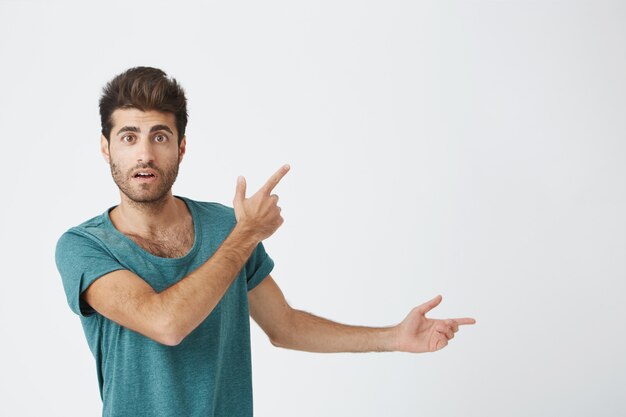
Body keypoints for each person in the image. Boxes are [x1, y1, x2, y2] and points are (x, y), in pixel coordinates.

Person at [55, 66, 476, 417]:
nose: (145, 154)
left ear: (181, 148)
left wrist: (393, 337)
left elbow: (284, 326)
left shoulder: (226, 226)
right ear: (106, 148)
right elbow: (166, 324)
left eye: (160, 136)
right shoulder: (83, 246)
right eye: (129, 137)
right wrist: (247, 235)